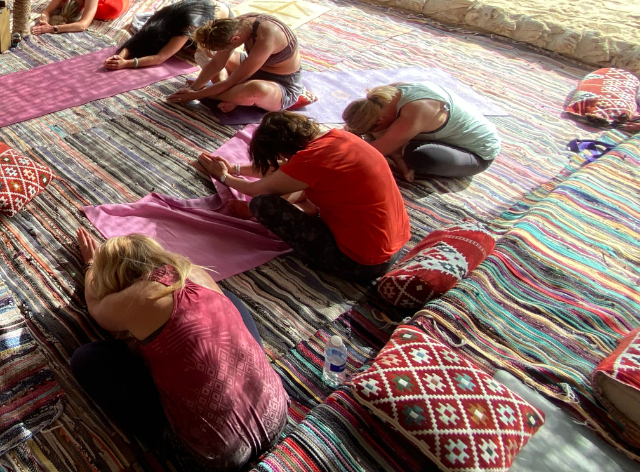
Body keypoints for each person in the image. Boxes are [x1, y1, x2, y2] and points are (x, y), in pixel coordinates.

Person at [70, 230, 287, 469]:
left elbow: (96, 307)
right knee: (228, 301)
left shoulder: (138, 297)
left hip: (218, 456)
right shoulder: (193, 272)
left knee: (87, 359)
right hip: (277, 415)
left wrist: (90, 265)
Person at [196, 111, 410, 282]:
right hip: (395, 248)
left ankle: (304, 212)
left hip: (362, 264)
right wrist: (234, 169)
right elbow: (287, 169)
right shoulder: (339, 139)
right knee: (301, 186)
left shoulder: (312, 159)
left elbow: (259, 190)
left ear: (284, 150)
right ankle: (308, 208)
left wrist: (223, 177)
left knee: (263, 204)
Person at [342, 83, 501, 181]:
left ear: (380, 122)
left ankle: (399, 148)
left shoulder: (415, 112)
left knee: (419, 157)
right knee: (384, 141)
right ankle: (397, 148)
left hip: (478, 154)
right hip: (430, 129)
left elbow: (367, 155)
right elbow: (354, 129)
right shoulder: (387, 96)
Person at [167, 14, 308, 113]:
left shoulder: (268, 36)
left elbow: (231, 81)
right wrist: (194, 87)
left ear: (235, 39)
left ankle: (222, 95)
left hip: (282, 85)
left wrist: (194, 95)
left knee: (256, 89)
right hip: (252, 69)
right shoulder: (236, 24)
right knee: (204, 53)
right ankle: (234, 97)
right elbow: (217, 64)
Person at [104, 0, 232, 71]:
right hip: (201, 5)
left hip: (220, 15)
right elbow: (138, 39)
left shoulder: (187, 28)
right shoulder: (160, 18)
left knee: (200, 54)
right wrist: (119, 57)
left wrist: (126, 64)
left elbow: (160, 58)